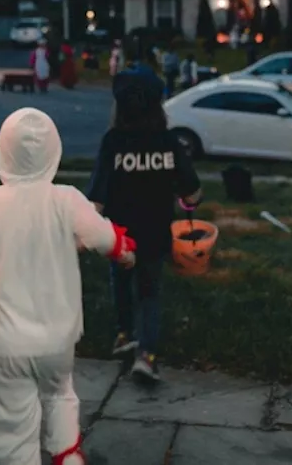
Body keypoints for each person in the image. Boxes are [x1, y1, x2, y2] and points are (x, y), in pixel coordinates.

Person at [0, 108, 136, 465]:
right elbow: (108, 240)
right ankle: (67, 456)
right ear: (53, 152)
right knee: (59, 399)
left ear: (2, 152)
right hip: (57, 342)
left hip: (5, 345)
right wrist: (126, 253)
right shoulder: (67, 200)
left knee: (13, 431)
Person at [88, 74, 201, 383]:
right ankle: (146, 356)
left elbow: (97, 197)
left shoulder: (112, 142)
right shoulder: (169, 142)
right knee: (149, 293)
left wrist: (83, 231)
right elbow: (192, 193)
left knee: (121, 282)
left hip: (119, 235)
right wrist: (187, 199)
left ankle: (124, 334)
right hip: (154, 234)